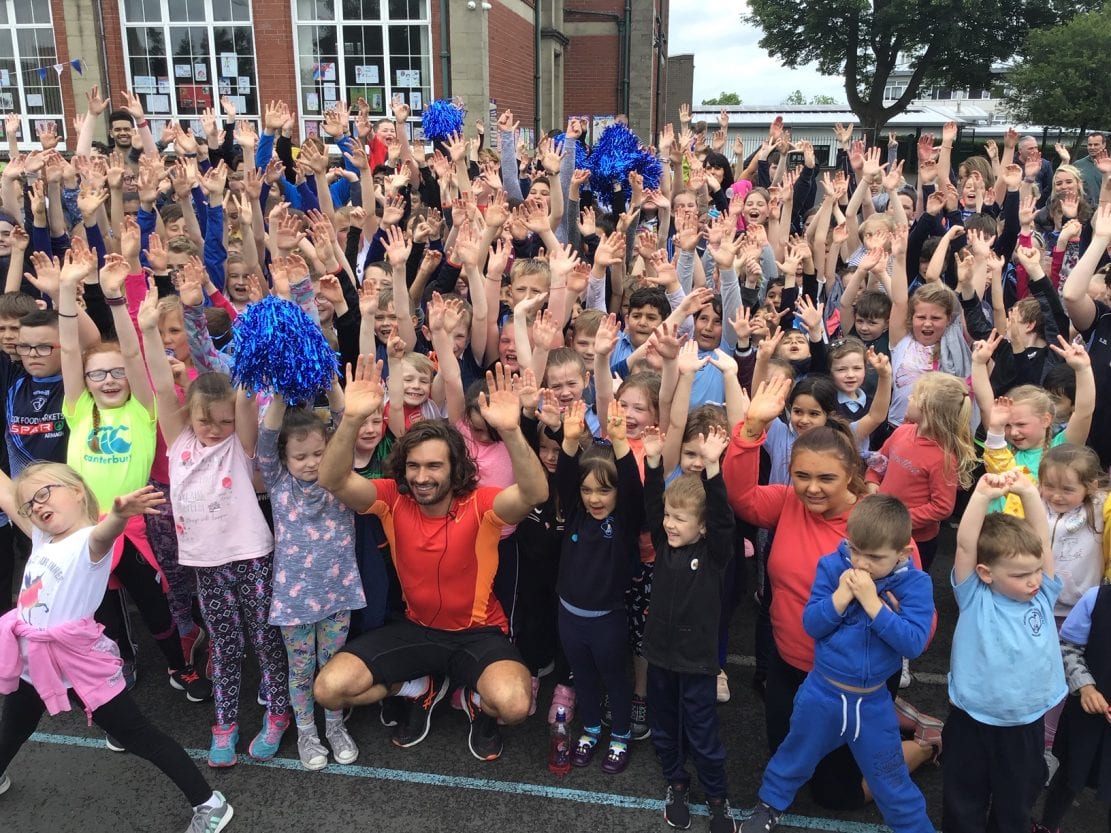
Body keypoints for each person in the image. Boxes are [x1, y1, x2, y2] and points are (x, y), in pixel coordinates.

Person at [314, 358, 548, 762]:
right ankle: (415, 688)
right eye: (415, 466)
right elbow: (332, 479)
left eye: (434, 466)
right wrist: (350, 420)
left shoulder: (484, 505)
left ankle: (474, 696)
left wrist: (510, 430)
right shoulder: (390, 498)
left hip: (477, 631)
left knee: (513, 705)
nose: (422, 476)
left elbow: (534, 494)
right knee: (328, 690)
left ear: (455, 467)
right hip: (416, 629)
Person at [0, 463, 233, 833]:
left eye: (46, 492)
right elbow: (8, 496)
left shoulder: (90, 541)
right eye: (31, 502)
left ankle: (210, 803)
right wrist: (19, 499)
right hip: (35, 661)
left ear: (77, 489)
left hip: (78, 665)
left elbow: (106, 533)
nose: (37, 504)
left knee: (136, 734)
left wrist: (121, 514)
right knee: (12, 727)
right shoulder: (43, 537)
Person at [141, 284, 291, 768]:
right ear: (190, 415)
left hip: (250, 555)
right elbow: (163, 386)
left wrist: (265, 318)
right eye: (206, 419)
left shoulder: (238, 442)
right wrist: (145, 329)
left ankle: (278, 714)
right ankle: (224, 725)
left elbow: (245, 400)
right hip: (207, 562)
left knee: (265, 639)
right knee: (225, 646)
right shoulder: (178, 439)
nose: (214, 428)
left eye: (223, 420)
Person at [741, 495, 935, 833]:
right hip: (822, 694)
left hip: (872, 703)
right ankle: (769, 805)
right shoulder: (833, 566)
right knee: (793, 754)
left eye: (875, 557)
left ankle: (915, 825)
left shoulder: (915, 583)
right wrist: (840, 598)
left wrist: (874, 606)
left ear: (903, 553)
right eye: (855, 549)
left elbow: (913, 643)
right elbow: (813, 624)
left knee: (889, 776)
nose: (861, 563)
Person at [943, 470, 1066, 833]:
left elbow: (1042, 542)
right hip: (972, 719)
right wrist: (980, 496)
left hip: (1025, 724)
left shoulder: (1043, 592)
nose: (1032, 580)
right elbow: (965, 546)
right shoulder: (974, 596)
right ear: (985, 573)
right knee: (963, 800)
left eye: (1035, 572)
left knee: (1015, 805)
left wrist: (1029, 492)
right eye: (1019, 575)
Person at [258, 394, 365, 771]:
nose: (310, 463)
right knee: (301, 670)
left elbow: (344, 422)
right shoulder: (278, 482)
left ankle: (334, 727)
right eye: (300, 456)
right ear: (284, 459)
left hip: (339, 593)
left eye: (318, 453)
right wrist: (277, 394)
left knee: (332, 667)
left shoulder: (338, 479)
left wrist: (330, 380)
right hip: (294, 602)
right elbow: (266, 438)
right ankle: (307, 731)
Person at [641, 424, 737, 833]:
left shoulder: (714, 554)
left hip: (697, 662)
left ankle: (717, 798)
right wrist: (651, 461)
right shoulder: (664, 545)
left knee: (701, 731)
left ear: (702, 527)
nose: (669, 525)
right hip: (661, 658)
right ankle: (676, 783)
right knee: (665, 726)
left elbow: (723, 519)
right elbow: (649, 505)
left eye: (679, 519)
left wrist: (713, 468)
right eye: (668, 516)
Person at [555, 399, 643, 774]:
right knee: (584, 676)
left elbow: (636, 492)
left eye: (604, 491)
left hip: (606, 619)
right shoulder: (576, 511)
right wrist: (569, 443)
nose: (595, 498)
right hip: (569, 617)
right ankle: (590, 728)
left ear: (617, 494)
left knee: (613, 678)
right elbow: (563, 479)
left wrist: (621, 444)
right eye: (588, 490)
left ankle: (620, 734)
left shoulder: (624, 522)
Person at [1036, 583, 1111, 833]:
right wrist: (1086, 687)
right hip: (1087, 713)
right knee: (1070, 774)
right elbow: (1067, 645)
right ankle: (1048, 825)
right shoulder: (1097, 598)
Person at [1071, 132, 1105, 207]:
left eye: (1096, 144)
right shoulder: (1077, 165)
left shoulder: (1109, 166)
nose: (1092, 147)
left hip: (1106, 211)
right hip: (1084, 211)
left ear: (1104, 145)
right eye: (1090, 145)